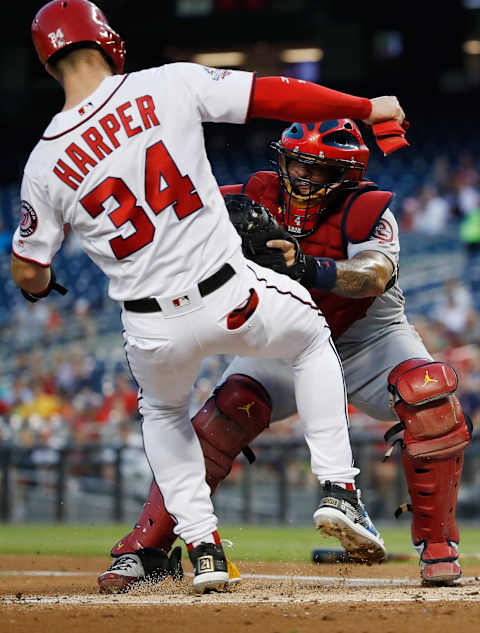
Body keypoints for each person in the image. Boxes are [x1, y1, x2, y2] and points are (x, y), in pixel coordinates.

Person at [13, 0, 406, 594]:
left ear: (48, 65)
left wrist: (44, 284)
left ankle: (204, 549)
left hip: (150, 328)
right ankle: (339, 490)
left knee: (164, 413)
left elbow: (28, 272)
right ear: (107, 41)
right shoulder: (167, 84)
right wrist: (364, 107)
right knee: (310, 338)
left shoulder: (43, 163)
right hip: (231, 294)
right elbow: (279, 96)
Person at [103, 118, 472, 589]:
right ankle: (147, 547)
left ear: (348, 176)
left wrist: (306, 266)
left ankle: (439, 547)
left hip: (367, 340)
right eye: (297, 164)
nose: (303, 178)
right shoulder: (246, 198)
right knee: (224, 414)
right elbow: (173, 213)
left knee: (431, 396)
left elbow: (372, 276)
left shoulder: (371, 213)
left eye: (319, 171)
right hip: (284, 336)